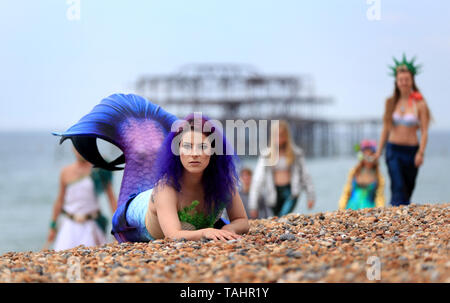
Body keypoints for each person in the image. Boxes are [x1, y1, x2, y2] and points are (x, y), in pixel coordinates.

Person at [54, 93, 249, 243]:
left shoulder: (225, 183)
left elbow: (242, 221)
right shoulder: (166, 189)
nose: (194, 153)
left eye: (202, 147)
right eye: (187, 146)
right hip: (135, 214)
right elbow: (173, 235)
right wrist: (206, 231)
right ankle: (136, 128)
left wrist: (229, 230)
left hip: (163, 202)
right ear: (177, 150)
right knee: (144, 151)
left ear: (214, 151)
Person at [374, 54, 431, 206]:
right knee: (398, 185)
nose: (404, 83)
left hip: (412, 151)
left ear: (412, 81)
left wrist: (421, 152)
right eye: (401, 80)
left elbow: (424, 131)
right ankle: (395, 217)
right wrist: (379, 151)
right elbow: (385, 128)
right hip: (393, 150)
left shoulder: (420, 104)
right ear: (396, 82)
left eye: (407, 79)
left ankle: (401, 219)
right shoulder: (390, 102)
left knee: (407, 188)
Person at [46, 146, 117, 251]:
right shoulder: (65, 172)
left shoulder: (99, 170)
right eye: (77, 147)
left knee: (92, 260)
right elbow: (60, 200)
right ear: (73, 149)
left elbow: (111, 198)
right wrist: (52, 226)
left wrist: (117, 226)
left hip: (92, 224)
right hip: (69, 225)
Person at [248, 120, 315, 219]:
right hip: (273, 192)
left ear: (287, 136)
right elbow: (258, 179)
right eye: (276, 135)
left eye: (281, 135)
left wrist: (310, 196)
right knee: (276, 218)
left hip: (290, 192)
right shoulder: (266, 155)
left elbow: (305, 176)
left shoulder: (296, 154)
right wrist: (253, 205)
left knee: (283, 217)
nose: (279, 138)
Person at [338, 140, 385, 210]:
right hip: (351, 208)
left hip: (369, 210)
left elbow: (380, 196)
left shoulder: (378, 177)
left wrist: (380, 209)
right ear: (361, 157)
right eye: (366, 156)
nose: (368, 159)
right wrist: (341, 207)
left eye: (371, 155)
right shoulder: (354, 172)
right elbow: (346, 192)